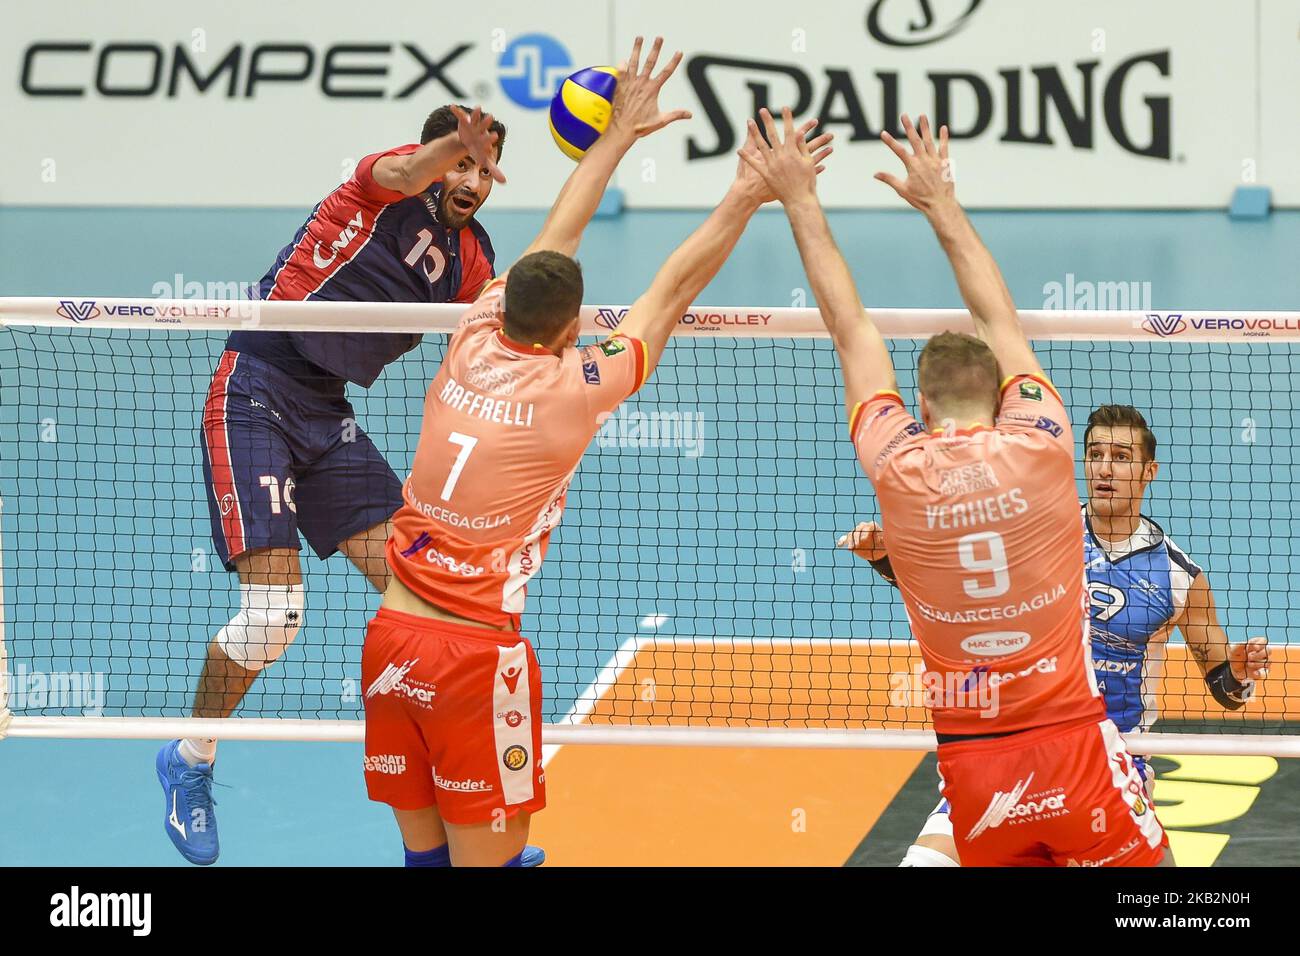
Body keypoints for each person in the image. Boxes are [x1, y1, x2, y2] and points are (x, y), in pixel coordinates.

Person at [361, 39, 832, 867]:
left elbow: (558, 234)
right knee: (491, 864)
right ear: (573, 331)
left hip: (391, 638)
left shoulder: (472, 330)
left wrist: (612, 140)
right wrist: (748, 194)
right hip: (477, 656)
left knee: (424, 859)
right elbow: (672, 291)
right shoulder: (574, 391)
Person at [740, 106, 1167, 865]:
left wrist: (798, 197)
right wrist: (941, 201)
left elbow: (850, 330)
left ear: (922, 404)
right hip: (1074, 744)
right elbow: (995, 313)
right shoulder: (1045, 443)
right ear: (1006, 391)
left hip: (973, 765)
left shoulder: (895, 465)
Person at [159, 104, 507, 865]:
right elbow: (405, 171)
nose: (471, 179)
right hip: (255, 387)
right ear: (434, 153)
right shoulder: (373, 190)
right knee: (274, 614)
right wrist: (447, 147)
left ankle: (455, 825)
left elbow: (492, 329)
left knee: (428, 604)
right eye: (461, 162)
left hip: (327, 414)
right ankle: (189, 760)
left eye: (485, 168)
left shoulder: (471, 256)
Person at [841, 403, 1271, 866]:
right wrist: (888, 559)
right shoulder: (1040, 534)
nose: (1105, 467)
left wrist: (1240, 672)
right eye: (1095, 453)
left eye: (1122, 457)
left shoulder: (1178, 576)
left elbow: (1226, 690)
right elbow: (962, 592)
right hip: (1018, 751)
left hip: (1111, 764)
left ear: (1149, 471)